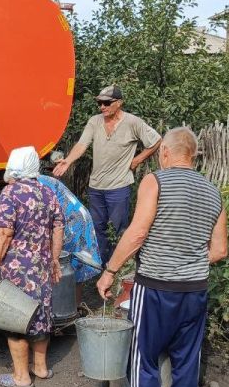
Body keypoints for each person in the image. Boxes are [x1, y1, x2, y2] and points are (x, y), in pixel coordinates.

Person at [96, 127, 228, 387]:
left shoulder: (155, 181)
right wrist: (188, 261)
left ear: (165, 153)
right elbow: (219, 250)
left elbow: (137, 233)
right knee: (187, 362)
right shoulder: (213, 192)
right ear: (193, 155)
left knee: (143, 360)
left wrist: (110, 271)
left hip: (155, 288)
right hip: (194, 291)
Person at [0, 146, 63, 387]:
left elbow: (5, 233)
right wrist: (55, 260)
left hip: (18, 268)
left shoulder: (11, 192)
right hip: (42, 266)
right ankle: (41, 368)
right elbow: (58, 228)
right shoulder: (48, 192)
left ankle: (21, 377)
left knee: (15, 319)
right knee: (41, 315)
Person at [52, 85, 161, 260]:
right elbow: (82, 144)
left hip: (119, 186)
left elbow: (156, 140)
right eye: (100, 103)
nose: (102, 107)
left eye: (106, 103)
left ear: (119, 103)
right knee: (97, 229)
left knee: (119, 229)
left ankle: (119, 264)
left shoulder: (133, 122)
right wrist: (68, 160)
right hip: (96, 186)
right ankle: (100, 265)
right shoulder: (95, 121)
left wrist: (137, 159)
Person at [35, 174, 101, 287]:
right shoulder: (36, 180)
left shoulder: (37, 186)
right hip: (70, 218)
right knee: (68, 267)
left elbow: (45, 222)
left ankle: (70, 297)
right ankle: (69, 296)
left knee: (71, 266)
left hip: (73, 221)